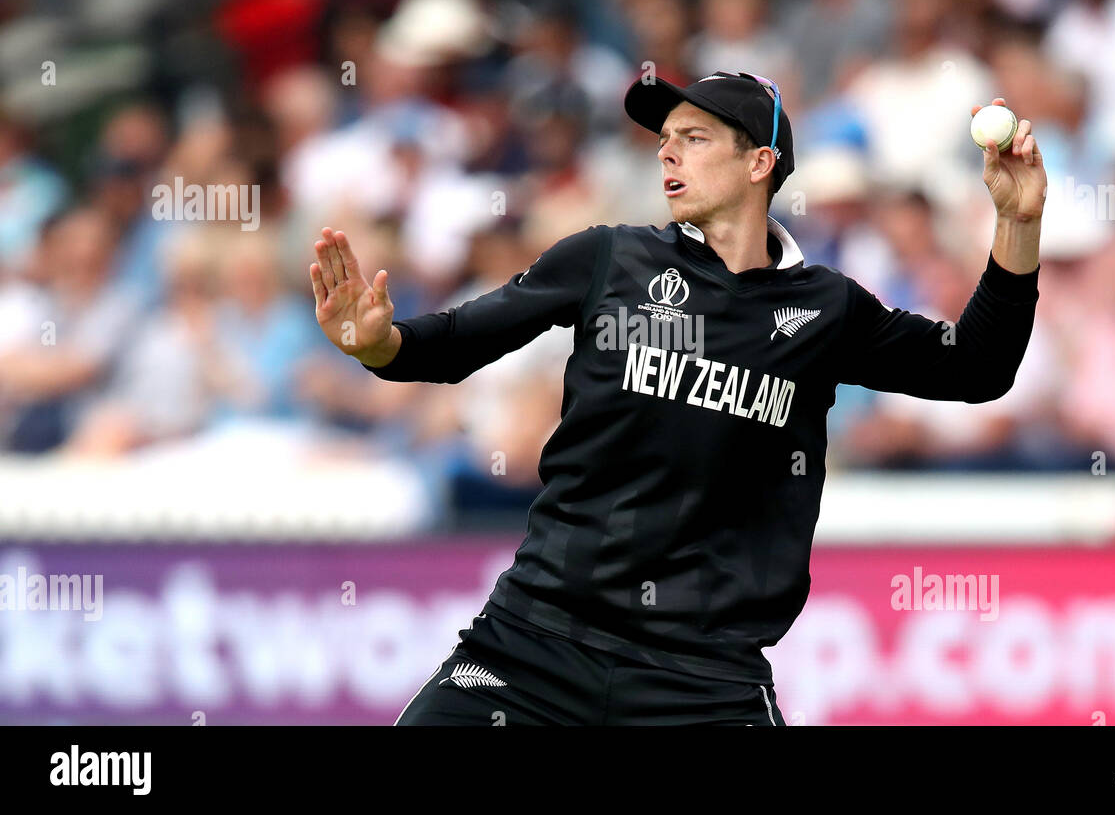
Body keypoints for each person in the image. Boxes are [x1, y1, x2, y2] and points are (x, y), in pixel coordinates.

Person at [308, 71, 1046, 725]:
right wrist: (379, 343)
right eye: (664, 139)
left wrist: (1016, 223)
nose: (667, 152)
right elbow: (454, 342)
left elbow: (978, 368)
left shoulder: (827, 310)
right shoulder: (605, 259)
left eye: (693, 137)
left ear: (760, 162)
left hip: (703, 684)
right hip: (533, 644)